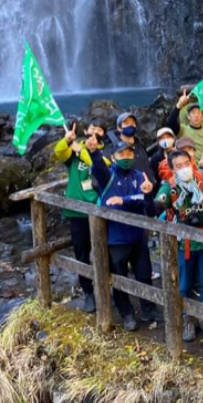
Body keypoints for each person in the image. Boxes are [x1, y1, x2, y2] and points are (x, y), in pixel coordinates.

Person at [89, 138, 159, 331]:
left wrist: (127, 198)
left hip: (139, 235)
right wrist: (94, 152)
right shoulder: (107, 176)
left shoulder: (140, 176)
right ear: (113, 157)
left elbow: (145, 204)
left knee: (144, 274)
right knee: (119, 278)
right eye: (121, 154)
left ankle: (148, 308)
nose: (126, 157)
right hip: (116, 238)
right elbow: (97, 167)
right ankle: (126, 312)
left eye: (129, 153)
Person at [156, 149, 203, 341]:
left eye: (186, 163)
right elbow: (161, 199)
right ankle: (187, 318)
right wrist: (158, 199)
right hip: (184, 243)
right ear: (172, 169)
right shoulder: (171, 186)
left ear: (191, 162)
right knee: (184, 284)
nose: (184, 168)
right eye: (179, 166)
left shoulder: (202, 177)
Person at [53, 120, 108, 313]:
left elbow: (96, 164)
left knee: (105, 250)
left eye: (98, 130)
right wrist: (67, 141)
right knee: (81, 253)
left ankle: (108, 287)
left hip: (99, 211)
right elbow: (59, 153)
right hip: (77, 211)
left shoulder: (104, 156)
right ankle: (88, 293)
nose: (93, 133)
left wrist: (80, 150)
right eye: (91, 129)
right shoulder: (74, 153)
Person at [104, 112, 156, 189]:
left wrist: (153, 180)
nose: (131, 125)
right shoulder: (113, 149)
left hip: (150, 188)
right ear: (119, 128)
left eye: (133, 123)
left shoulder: (140, 144)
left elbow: (146, 164)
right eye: (126, 123)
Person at [167, 87, 203, 159]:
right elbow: (171, 122)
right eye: (193, 113)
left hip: (202, 168)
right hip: (185, 166)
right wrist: (179, 105)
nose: (196, 115)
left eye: (199, 113)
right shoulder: (182, 129)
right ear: (188, 117)